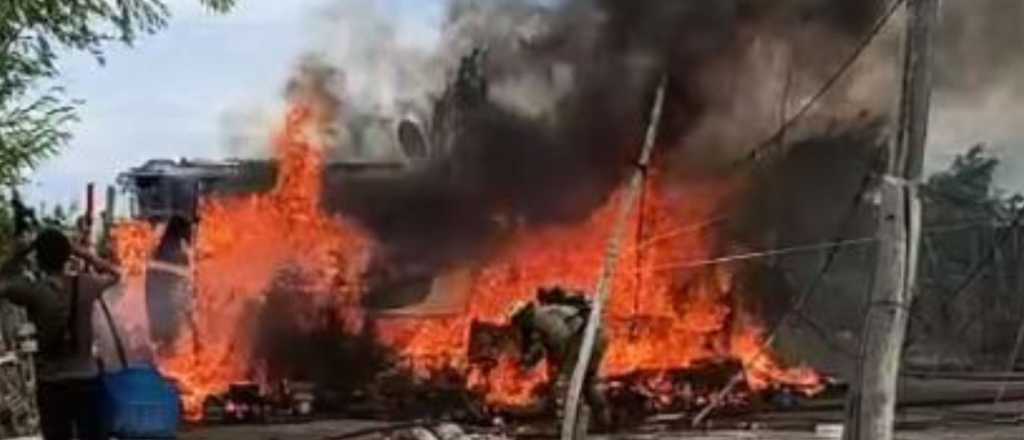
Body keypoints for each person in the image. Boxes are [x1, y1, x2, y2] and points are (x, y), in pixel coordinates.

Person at [0, 229, 121, 440]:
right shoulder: (86, 284)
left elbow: (3, 281)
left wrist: (22, 252)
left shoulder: (33, 291)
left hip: (51, 383)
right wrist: (82, 252)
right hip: (87, 379)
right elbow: (115, 274)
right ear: (67, 256)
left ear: (38, 259)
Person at [510, 287, 612, 432]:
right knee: (587, 381)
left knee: (564, 383)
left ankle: (566, 426)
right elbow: (541, 347)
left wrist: (561, 365)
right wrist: (527, 361)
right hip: (596, 335)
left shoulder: (540, 317)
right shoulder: (541, 318)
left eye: (517, 321)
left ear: (522, 316)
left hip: (584, 338)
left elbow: (561, 337)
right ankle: (603, 422)